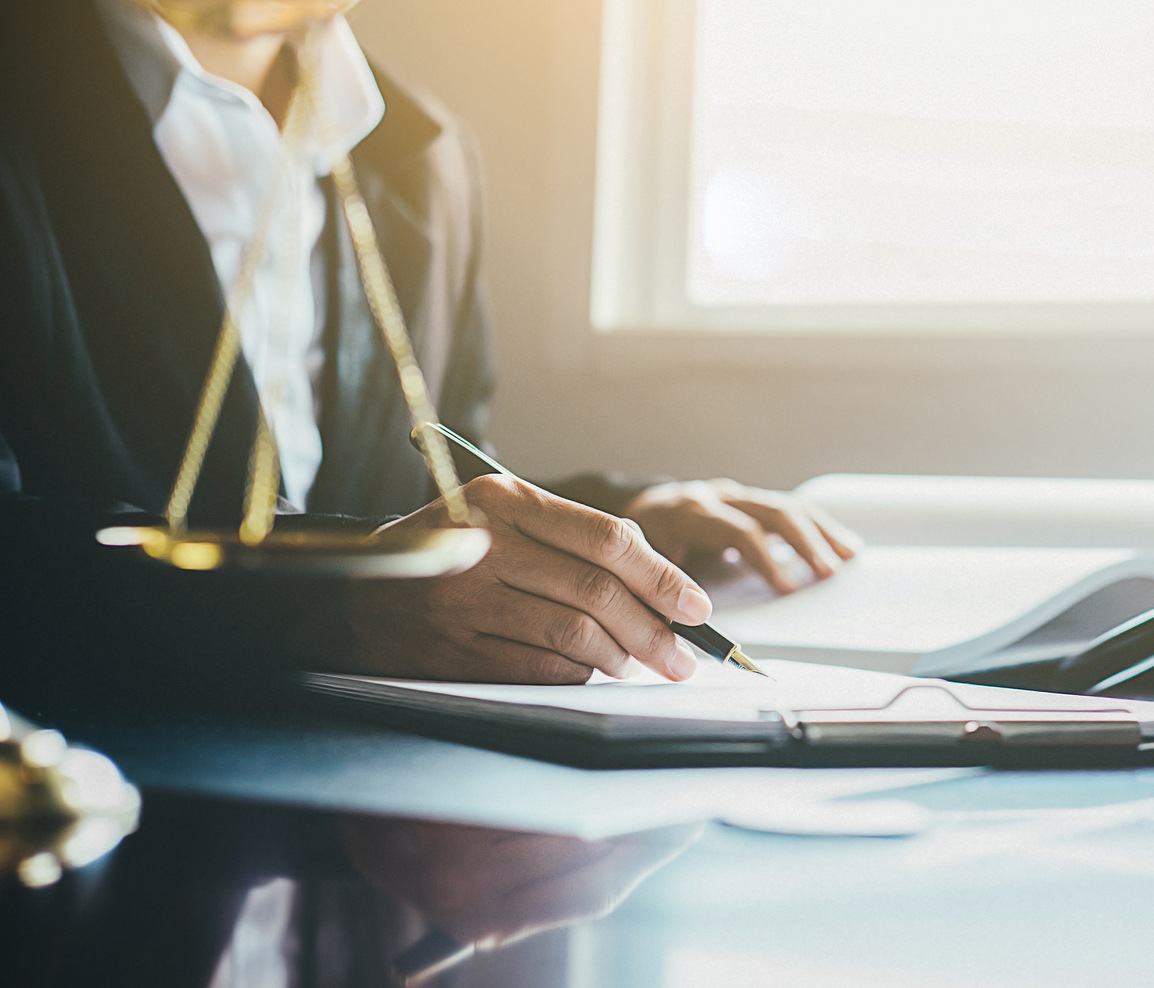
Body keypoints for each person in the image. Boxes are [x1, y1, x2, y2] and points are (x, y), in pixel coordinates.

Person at [0, 0, 856, 691]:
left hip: (376, 841)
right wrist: (329, 609)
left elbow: (407, 495)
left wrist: (609, 524)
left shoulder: (425, 155)